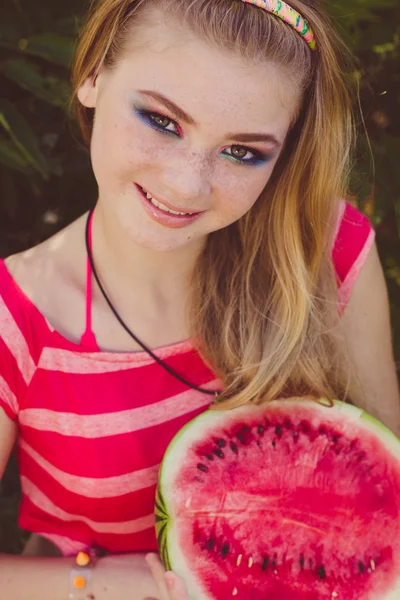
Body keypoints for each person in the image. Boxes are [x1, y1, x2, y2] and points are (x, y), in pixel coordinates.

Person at [0, 0, 399, 597]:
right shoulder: (17, 320)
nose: (187, 184)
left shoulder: (327, 256)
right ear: (92, 77)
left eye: (243, 152)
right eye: (161, 120)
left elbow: (385, 513)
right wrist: (114, 583)